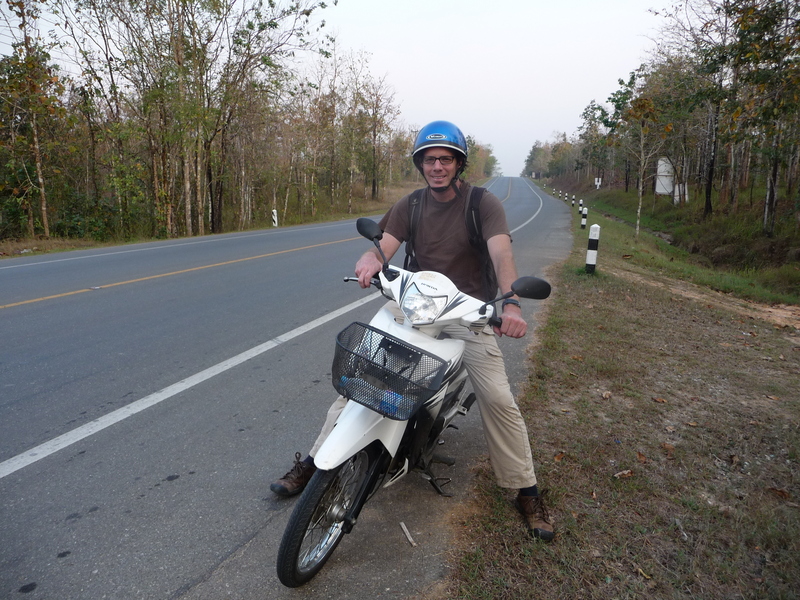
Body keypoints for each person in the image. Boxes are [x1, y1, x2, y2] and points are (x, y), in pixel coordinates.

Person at [270, 120, 553, 542]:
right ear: (420, 164)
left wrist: (509, 301)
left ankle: (525, 491)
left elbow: (501, 252)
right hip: (414, 306)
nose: (437, 166)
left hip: (468, 313)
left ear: (458, 163)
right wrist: (370, 259)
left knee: (497, 399)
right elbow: (384, 243)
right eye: (429, 159)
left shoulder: (483, 205)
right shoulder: (412, 204)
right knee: (360, 378)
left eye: (445, 158)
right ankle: (314, 464)